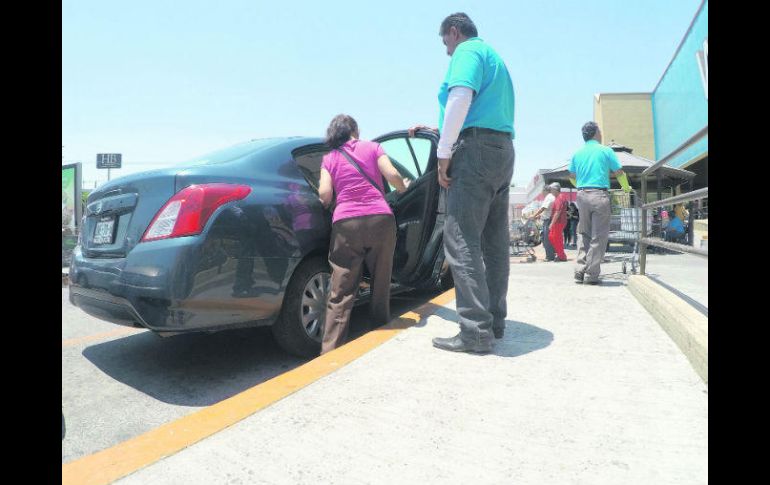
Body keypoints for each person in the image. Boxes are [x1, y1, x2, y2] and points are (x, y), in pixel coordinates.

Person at [409, 12, 515, 354]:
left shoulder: (467, 52)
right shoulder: (494, 58)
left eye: (445, 43)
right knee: (494, 243)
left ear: (454, 32)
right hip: (502, 149)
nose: (447, 52)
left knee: (460, 238)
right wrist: (440, 129)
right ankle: (494, 322)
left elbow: (460, 97)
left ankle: (475, 332)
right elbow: (472, 108)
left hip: (474, 150)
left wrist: (443, 152)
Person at [317, 114, 409, 354]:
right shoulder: (374, 147)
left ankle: (331, 352)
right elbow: (393, 176)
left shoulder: (330, 158)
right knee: (381, 281)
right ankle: (378, 340)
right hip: (380, 219)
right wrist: (403, 187)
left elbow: (325, 194)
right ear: (355, 131)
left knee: (341, 289)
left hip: (346, 223)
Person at [568, 121, 632, 285]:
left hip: (581, 195)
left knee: (584, 233)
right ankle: (591, 274)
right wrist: (626, 187)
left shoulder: (577, 153)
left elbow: (571, 177)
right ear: (596, 133)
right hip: (599, 195)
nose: (602, 133)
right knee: (599, 236)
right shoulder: (606, 150)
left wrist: (582, 187)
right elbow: (619, 171)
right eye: (600, 131)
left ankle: (579, 272)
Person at [528, 186, 556, 261]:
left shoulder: (549, 197)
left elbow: (543, 208)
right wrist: (538, 216)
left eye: (542, 191)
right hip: (548, 219)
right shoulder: (551, 197)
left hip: (548, 220)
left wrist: (534, 215)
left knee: (546, 239)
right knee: (547, 238)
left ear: (545, 190)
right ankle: (551, 255)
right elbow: (546, 210)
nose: (541, 193)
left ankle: (550, 257)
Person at [547, 182, 568, 262]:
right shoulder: (558, 197)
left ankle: (562, 256)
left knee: (556, 238)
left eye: (551, 189)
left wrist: (552, 223)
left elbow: (558, 211)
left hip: (558, 221)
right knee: (552, 237)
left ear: (555, 189)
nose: (550, 191)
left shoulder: (560, 197)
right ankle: (560, 254)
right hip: (558, 221)